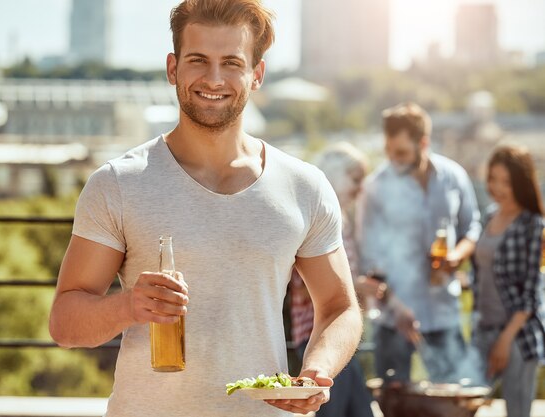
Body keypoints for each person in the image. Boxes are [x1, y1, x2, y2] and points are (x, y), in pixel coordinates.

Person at [48, 1, 363, 416]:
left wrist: (316, 371)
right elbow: (65, 323)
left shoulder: (304, 186)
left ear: (257, 75)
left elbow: (340, 307)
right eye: (198, 60)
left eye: (231, 62)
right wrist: (127, 306)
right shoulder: (118, 184)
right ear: (172, 68)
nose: (214, 79)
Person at [357, 102, 482, 384]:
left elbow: (472, 226)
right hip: (395, 319)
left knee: (451, 400)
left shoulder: (454, 177)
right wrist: (395, 304)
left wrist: (456, 256)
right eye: (389, 152)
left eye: (401, 153)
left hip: (444, 312)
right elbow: (369, 259)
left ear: (423, 143)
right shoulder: (375, 188)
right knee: (396, 401)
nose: (393, 160)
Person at [290, 142, 374, 417]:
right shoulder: (311, 216)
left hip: (340, 337)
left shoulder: (344, 221)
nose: (360, 189)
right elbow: (300, 289)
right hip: (316, 336)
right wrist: (356, 286)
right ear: (337, 175)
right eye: (355, 179)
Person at [471, 145, 544, 417]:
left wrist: (505, 339)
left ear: (520, 182)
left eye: (506, 182)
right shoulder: (490, 215)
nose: (498, 188)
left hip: (516, 336)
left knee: (517, 413)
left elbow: (531, 292)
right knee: (462, 404)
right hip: (483, 329)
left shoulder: (532, 224)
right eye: (493, 179)